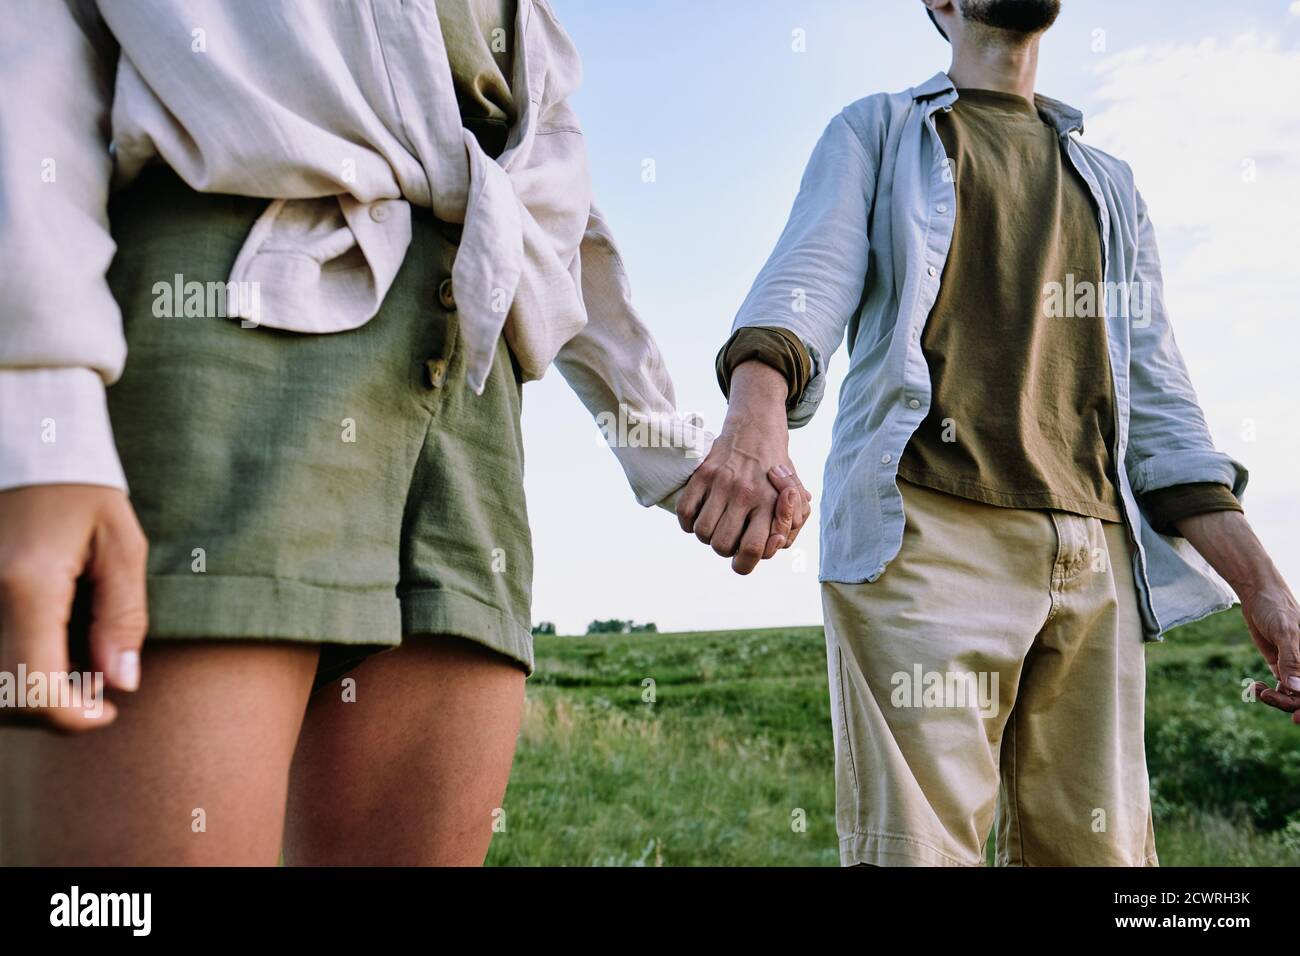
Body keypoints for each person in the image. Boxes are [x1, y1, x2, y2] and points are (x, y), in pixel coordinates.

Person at [0, 0, 811, 865]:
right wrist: (39, 411)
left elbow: (554, 205)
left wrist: (673, 452)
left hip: (472, 401)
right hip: (225, 328)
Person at [679, 0, 1300, 866]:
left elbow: (1161, 403)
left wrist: (1266, 588)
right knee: (918, 855)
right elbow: (804, 284)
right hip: (926, 542)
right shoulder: (880, 130)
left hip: (1095, 561)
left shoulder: (1109, 183)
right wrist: (754, 420)